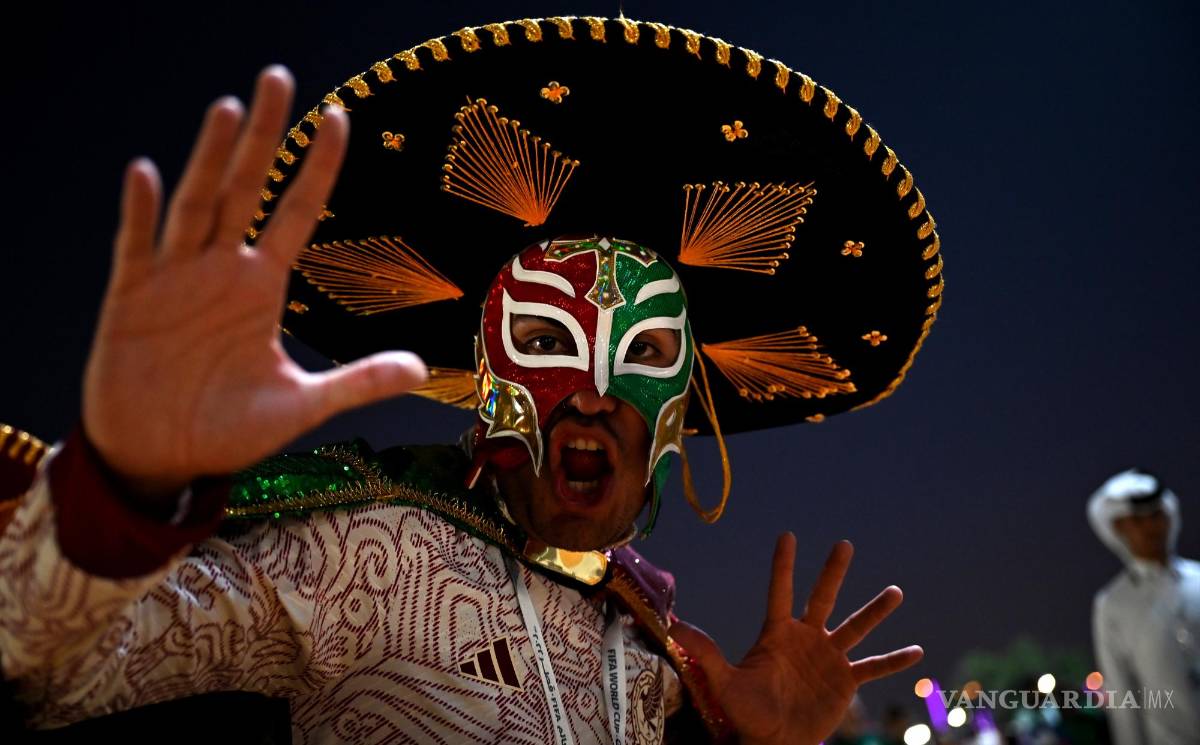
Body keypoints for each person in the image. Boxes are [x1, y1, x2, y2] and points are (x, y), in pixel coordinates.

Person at [0, 16, 945, 744]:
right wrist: (114, 494)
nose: (592, 391)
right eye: (546, 338)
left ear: (678, 420)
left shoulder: (662, 665)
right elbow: (46, 669)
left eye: (644, 355)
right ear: (486, 381)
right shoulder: (365, 556)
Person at [1088, 467, 1200, 745]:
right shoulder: (1112, 605)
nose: (1151, 527)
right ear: (1119, 527)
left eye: (1156, 515)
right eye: (1138, 520)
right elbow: (1123, 700)